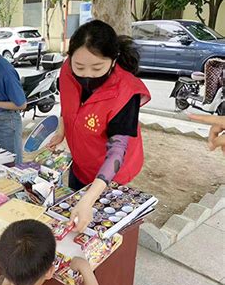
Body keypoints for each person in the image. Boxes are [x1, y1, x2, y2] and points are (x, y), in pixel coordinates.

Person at [47, 20, 151, 232]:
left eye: (97, 68)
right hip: (81, 164)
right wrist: (62, 130)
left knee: (100, 230)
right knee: (74, 227)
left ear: (113, 61)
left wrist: (89, 199)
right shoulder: (67, 70)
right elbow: (68, 102)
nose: (86, 74)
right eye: (79, 67)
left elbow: (117, 152)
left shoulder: (126, 92)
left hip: (112, 176)